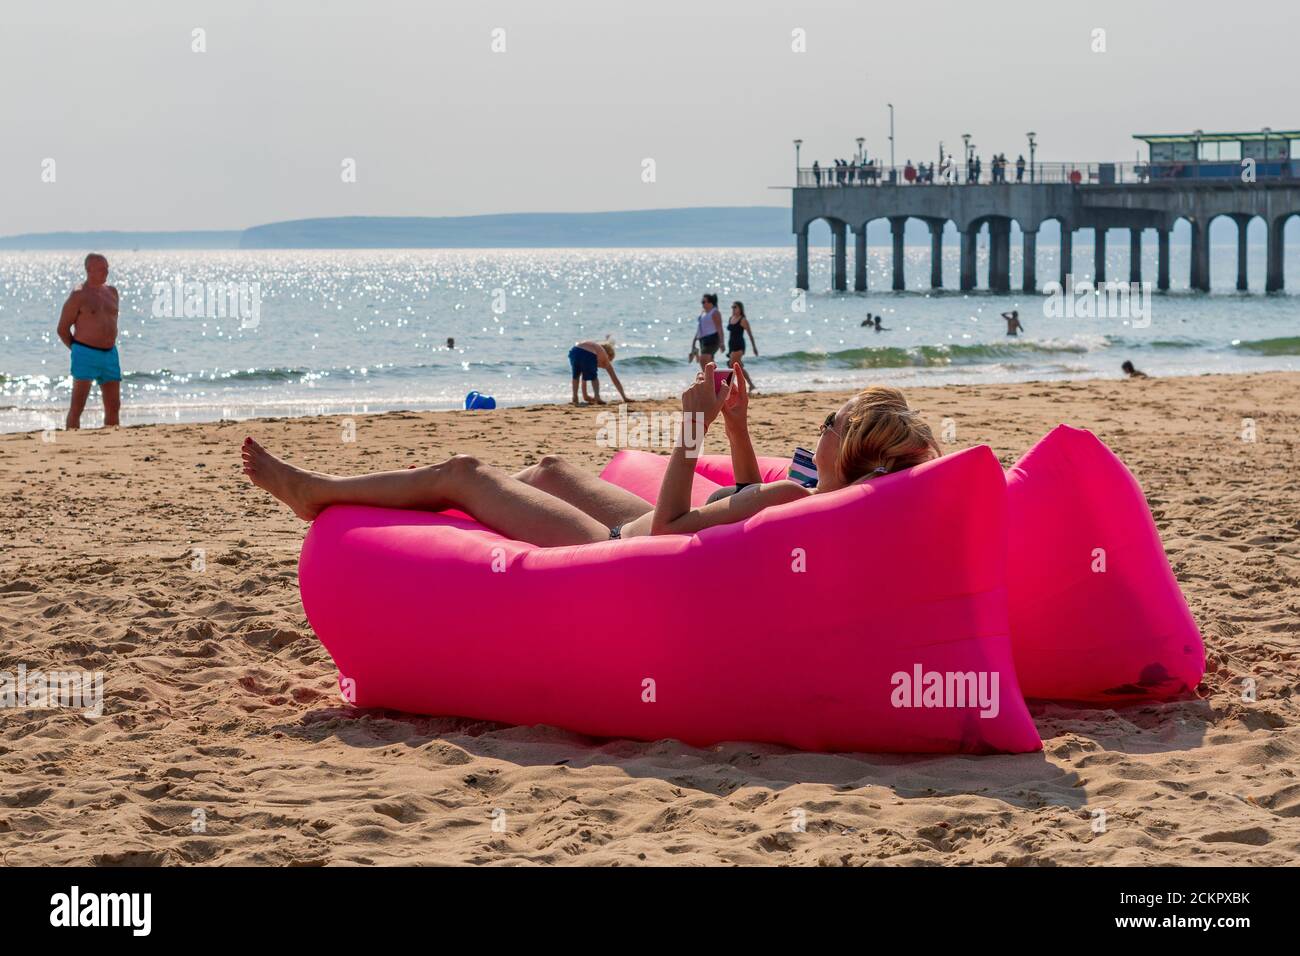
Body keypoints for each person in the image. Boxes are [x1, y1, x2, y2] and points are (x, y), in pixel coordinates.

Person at [241, 366, 940, 546]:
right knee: (546, 469)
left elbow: (668, 532)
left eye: (829, 421)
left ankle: (318, 491)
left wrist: (689, 429)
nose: (817, 429)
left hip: (609, 547)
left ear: (848, 450)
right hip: (642, 527)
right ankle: (486, 512)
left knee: (465, 471)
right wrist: (736, 427)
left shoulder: (800, 499)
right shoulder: (820, 502)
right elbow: (743, 506)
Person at [57, 253, 121, 430]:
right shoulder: (78, 295)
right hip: (85, 353)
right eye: (101, 269)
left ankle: (112, 440)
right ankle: (71, 441)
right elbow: (62, 328)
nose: (106, 272)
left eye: (107, 268)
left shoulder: (112, 292)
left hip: (110, 353)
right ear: (89, 270)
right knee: (78, 407)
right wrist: (77, 350)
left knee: (114, 405)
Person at [568, 338, 628, 405]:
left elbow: (584, 379)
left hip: (574, 351)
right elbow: (614, 379)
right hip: (587, 353)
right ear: (609, 355)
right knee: (594, 378)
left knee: (576, 376)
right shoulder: (604, 357)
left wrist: (585, 396)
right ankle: (597, 397)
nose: (608, 363)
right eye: (611, 360)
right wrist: (624, 397)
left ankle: (575, 398)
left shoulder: (595, 349)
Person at [725, 301, 759, 392]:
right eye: (732, 307)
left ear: (740, 309)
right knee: (738, 367)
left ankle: (729, 387)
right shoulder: (730, 318)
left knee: (731, 365)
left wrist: (754, 348)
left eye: (735, 307)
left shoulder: (743, 320)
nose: (733, 309)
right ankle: (750, 385)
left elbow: (750, 335)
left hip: (739, 346)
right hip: (731, 346)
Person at [689, 293, 724, 373]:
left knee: (703, 359)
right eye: (702, 302)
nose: (703, 304)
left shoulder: (715, 312)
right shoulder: (703, 313)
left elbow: (719, 328)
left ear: (710, 303)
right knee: (710, 362)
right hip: (703, 340)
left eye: (704, 302)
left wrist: (722, 342)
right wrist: (694, 340)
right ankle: (715, 381)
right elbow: (700, 327)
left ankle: (708, 380)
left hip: (712, 339)